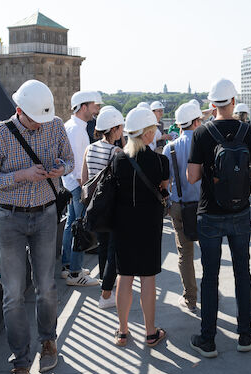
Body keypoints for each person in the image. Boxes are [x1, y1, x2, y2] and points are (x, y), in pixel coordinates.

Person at [0, 80, 74, 374]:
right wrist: (21, 175)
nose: (40, 126)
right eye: (34, 121)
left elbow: (70, 160)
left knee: (46, 286)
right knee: (14, 293)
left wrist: (60, 168)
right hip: (10, 218)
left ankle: (49, 342)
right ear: (19, 111)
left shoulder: (55, 125)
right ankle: (20, 362)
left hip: (46, 215)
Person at [187, 78, 251, 358]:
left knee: (210, 277)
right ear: (234, 102)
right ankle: (245, 334)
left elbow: (192, 177)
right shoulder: (248, 131)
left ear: (211, 104)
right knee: (242, 272)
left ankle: (207, 339)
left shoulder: (202, 133)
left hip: (210, 212)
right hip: (241, 211)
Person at [111, 107, 170, 348]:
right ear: (147, 134)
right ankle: (150, 332)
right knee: (147, 278)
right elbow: (164, 189)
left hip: (123, 223)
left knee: (124, 276)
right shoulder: (160, 161)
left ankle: (122, 331)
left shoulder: (117, 159)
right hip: (149, 223)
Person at [81, 106, 125, 309]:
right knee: (113, 250)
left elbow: (84, 179)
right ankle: (106, 294)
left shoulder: (89, 149)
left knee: (102, 247)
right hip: (112, 207)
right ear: (114, 129)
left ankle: (103, 286)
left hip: (94, 206)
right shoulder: (116, 151)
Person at [162, 102, 203, 313]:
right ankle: (210, 293)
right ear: (196, 122)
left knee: (185, 254)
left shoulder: (170, 148)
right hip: (204, 206)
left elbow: (165, 181)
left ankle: (190, 298)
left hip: (179, 204)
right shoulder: (206, 144)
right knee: (209, 252)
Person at [61, 90, 102, 287]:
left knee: (71, 225)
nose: (97, 110)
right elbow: (78, 166)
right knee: (80, 228)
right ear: (84, 107)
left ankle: (68, 266)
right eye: (95, 106)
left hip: (70, 184)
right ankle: (76, 274)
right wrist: (85, 188)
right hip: (77, 185)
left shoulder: (71, 126)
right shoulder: (77, 130)